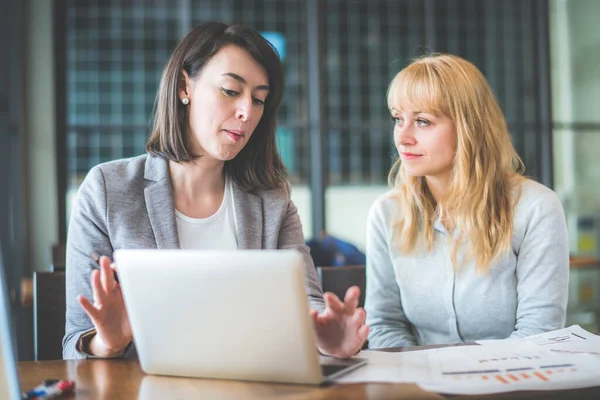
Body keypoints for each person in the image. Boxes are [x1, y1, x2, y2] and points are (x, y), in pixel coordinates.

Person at [63, 22, 368, 360]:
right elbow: (75, 345)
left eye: (259, 99)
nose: (246, 112)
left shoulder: (272, 198)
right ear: (184, 87)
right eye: (230, 91)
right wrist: (110, 341)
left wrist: (325, 336)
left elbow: (307, 300)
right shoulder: (107, 189)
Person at [365, 54, 569, 349]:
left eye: (422, 121)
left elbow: (539, 332)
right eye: (398, 119)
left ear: (468, 127)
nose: (403, 137)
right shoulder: (387, 213)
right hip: (420, 387)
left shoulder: (536, 208)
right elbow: (383, 325)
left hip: (509, 386)